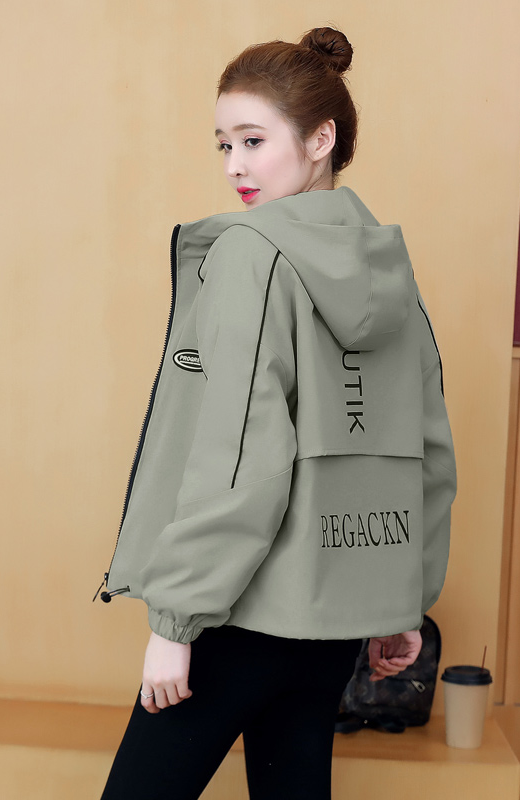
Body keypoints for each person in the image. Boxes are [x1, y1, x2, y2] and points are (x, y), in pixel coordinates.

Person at [97, 26, 456, 800]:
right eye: (224, 144)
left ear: (321, 139)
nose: (234, 165)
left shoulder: (249, 253)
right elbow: (426, 448)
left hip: (239, 613)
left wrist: (175, 622)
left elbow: (239, 456)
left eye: (253, 141)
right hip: (334, 623)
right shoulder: (388, 265)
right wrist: (401, 601)